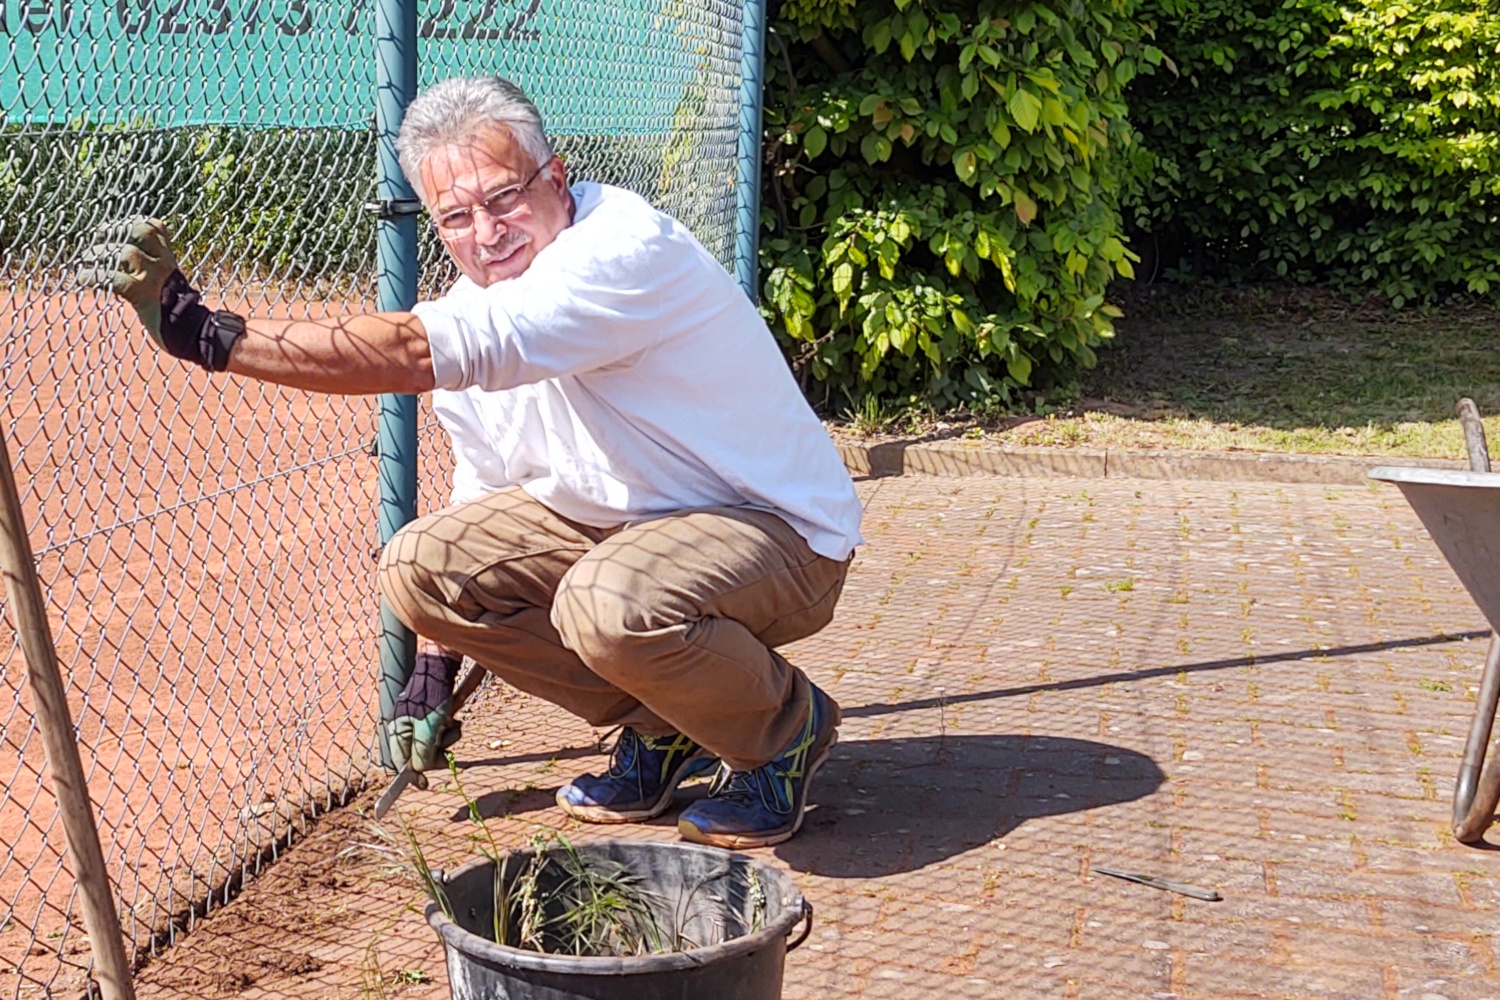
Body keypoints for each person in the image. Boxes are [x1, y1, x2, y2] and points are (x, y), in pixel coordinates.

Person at [83, 74, 863, 848]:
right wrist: (433, 671)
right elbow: (484, 494)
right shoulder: (474, 304)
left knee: (606, 603)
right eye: (455, 216)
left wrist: (206, 334)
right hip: (629, 538)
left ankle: (785, 730)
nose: (486, 232)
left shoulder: (621, 250)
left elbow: (411, 351)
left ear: (555, 177)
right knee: (421, 563)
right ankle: (664, 727)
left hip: (776, 537)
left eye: (503, 198)